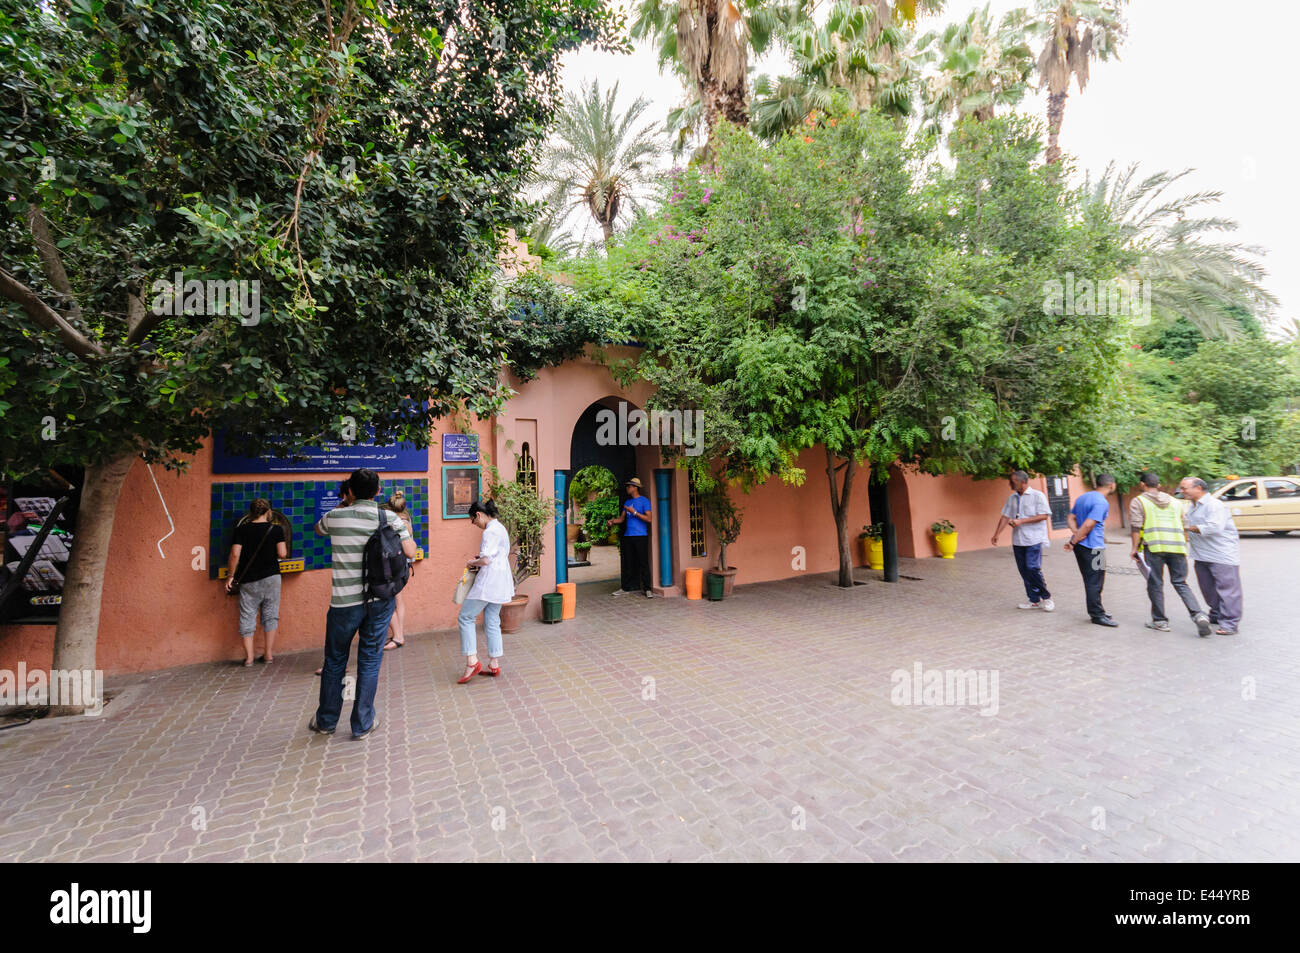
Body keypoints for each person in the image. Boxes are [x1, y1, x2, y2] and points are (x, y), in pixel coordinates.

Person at [309, 468, 416, 738]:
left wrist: (346, 504)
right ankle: (362, 724)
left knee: (335, 660)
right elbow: (410, 551)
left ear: (351, 491)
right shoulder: (389, 517)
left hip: (344, 603)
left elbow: (317, 529)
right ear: (378, 491)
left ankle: (326, 721)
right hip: (379, 600)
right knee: (369, 660)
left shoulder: (334, 517)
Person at [1128, 471, 1211, 636]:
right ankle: (1198, 615)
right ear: (1158, 485)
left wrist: (1134, 549)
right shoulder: (1176, 502)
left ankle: (1160, 621)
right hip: (1177, 547)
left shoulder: (1139, 501)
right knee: (1180, 583)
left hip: (1154, 547)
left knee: (1155, 584)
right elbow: (1185, 524)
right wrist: (1184, 543)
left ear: (1142, 485)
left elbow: (1136, 527)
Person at [225, 499, 288, 665]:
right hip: (272, 577)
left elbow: (235, 554)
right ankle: (268, 655)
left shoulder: (242, 529)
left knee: (247, 616)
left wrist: (230, 575)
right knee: (270, 615)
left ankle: (249, 658)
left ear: (251, 512)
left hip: (249, 579)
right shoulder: (276, 529)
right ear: (268, 511)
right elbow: (282, 553)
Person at [457, 500, 514, 683]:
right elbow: (494, 555)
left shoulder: (489, 531)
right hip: (501, 581)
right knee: (492, 619)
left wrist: (471, 562)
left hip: (488, 582)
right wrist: (481, 558)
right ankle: (494, 663)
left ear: (479, 515)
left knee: (465, 617)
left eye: (473, 521)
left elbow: (486, 560)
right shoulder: (500, 528)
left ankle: (472, 661)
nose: (475, 525)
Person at [1179, 476, 1243, 635]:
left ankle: (1230, 624)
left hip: (1221, 555)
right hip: (1201, 555)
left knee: (1227, 590)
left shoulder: (1214, 505)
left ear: (1198, 488)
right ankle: (1216, 614)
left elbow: (1214, 527)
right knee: (1208, 589)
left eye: (1185, 488)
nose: (1182, 491)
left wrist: (1188, 527)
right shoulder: (1193, 506)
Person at [991, 470, 1055, 611]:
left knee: (1033, 568)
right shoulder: (1012, 498)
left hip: (1034, 539)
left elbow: (1044, 515)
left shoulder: (1037, 496)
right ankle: (1033, 600)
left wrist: (1021, 521)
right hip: (1018, 540)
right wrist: (997, 534)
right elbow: (1005, 517)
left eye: (1013, 481)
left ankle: (1046, 597)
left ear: (1023, 482)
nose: (1010, 484)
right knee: (1024, 571)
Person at [1063, 475, 1118, 627]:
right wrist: (1074, 540)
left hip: (1082, 547)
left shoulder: (1083, 497)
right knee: (1095, 581)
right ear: (1112, 485)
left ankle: (1098, 609)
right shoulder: (1101, 502)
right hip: (1094, 547)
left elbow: (1070, 517)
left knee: (1093, 580)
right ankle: (1097, 615)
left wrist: (1075, 534)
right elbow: (1088, 525)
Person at [608, 477, 654, 598]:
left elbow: (649, 519)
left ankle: (647, 589)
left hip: (641, 536)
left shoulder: (644, 501)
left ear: (635, 488)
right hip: (628, 536)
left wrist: (634, 512)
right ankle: (625, 588)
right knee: (628, 563)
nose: (627, 488)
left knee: (643, 563)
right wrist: (612, 521)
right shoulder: (627, 503)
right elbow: (622, 519)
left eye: (629, 486)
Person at [382, 489, 415, 651]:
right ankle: (399, 634)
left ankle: (398, 636)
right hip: (403, 566)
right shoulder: (407, 519)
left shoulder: (396, 523)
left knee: (391, 601)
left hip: (394, 567)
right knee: (398, 601)